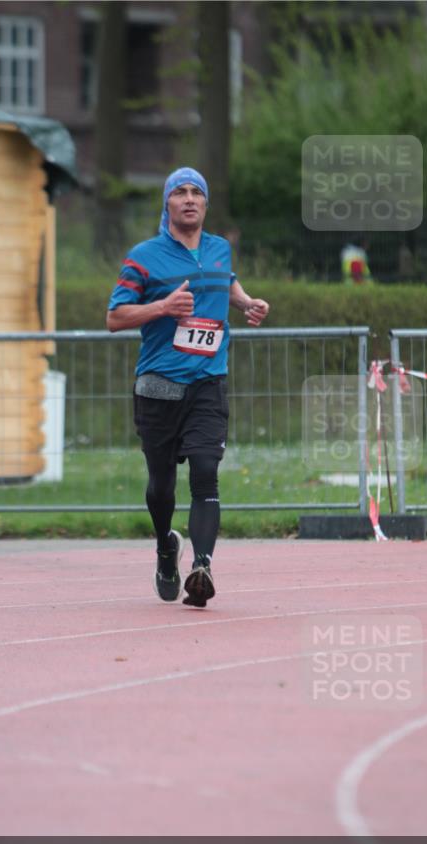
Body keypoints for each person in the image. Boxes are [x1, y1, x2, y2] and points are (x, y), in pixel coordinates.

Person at [106, 167, 270, 607]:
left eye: (197, 191)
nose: (189, 198)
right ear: (167, 203)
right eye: (180, 192)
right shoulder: (143, 256)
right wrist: (161, 307)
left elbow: (226, 280)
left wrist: (247, 302)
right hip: (159, 385)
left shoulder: (219, 248)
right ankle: (165, 547)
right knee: (162, 487)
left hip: (207, 383)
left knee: (205, 470)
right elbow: (115, 318)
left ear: (206, 203)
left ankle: (202, 567)